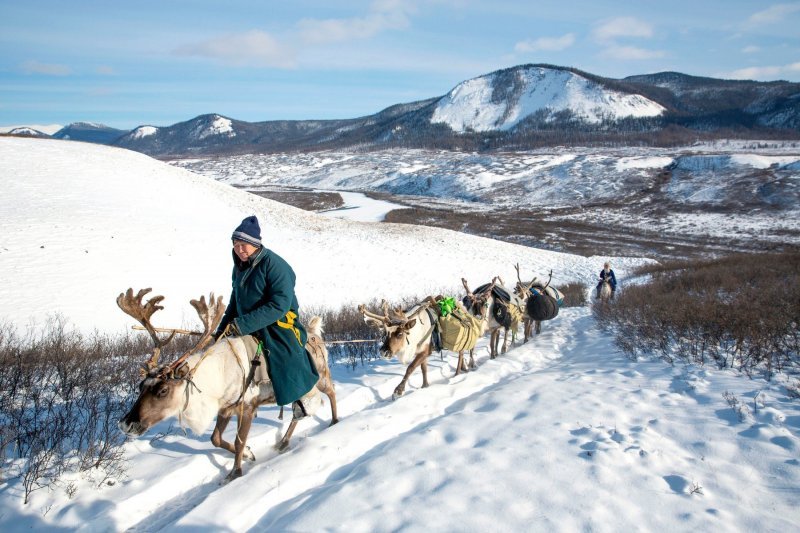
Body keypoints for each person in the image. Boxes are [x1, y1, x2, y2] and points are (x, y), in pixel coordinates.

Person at [214, 215, 319, 420]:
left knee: (286, 352)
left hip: (278, 321)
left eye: (244, 245)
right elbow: (235, 302)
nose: (239, 249)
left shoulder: (275, 266)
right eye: (236, 245)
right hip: (248, 321)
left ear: (255, 244)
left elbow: (279, 305)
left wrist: (242, 324)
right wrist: (222, 329)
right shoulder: (239, 267)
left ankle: (305, 395)